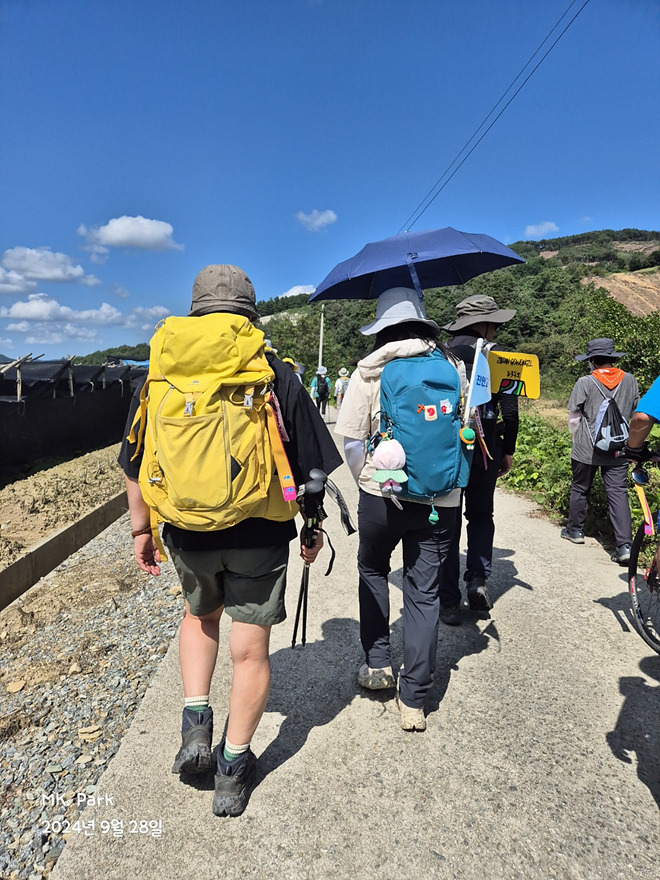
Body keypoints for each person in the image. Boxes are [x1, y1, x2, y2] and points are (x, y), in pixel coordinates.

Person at [118, 264, 341, 817]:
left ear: (194, 308)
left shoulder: (161, 371)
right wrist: (312, 528)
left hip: (186, 530)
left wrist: (142, 529)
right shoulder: (271, 369)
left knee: (199, 618)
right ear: (250, 311)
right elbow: (311, 468)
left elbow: (134, 462)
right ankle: (233, 769)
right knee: (250, 649)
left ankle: (196, 722)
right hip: (259, 530)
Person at [335, 286, 464, 732]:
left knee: (373, 569)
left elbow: (352, 442)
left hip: (381, 494)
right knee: (423, 592)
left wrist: (369, 481)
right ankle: (413, 701)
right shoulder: (453, 366)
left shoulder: (369, 370)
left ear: (382, 328)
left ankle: (377, 664)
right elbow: (464, 425)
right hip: (439, 498)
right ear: (423, 324)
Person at [441, 294, 518, 624]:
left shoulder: (440, 354)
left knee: (447, 518)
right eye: (494, 324)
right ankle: (477, 580)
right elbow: (510, 413)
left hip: (448, 448)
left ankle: (447, 600)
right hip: (487, 448)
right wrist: (508, 450)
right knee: (481, 514)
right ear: (484, 324)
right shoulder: (498, 358)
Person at [562, 338, 639, 564]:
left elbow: (574, 418)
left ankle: (575, 531)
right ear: (612, 358)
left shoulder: (585, 382)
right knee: (617, 492)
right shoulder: (630, 380)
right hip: (619, 447)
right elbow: (635, 414)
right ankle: (624, 546)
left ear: (592, 361)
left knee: (580, 487)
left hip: (587, 448)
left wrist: (576, 439)